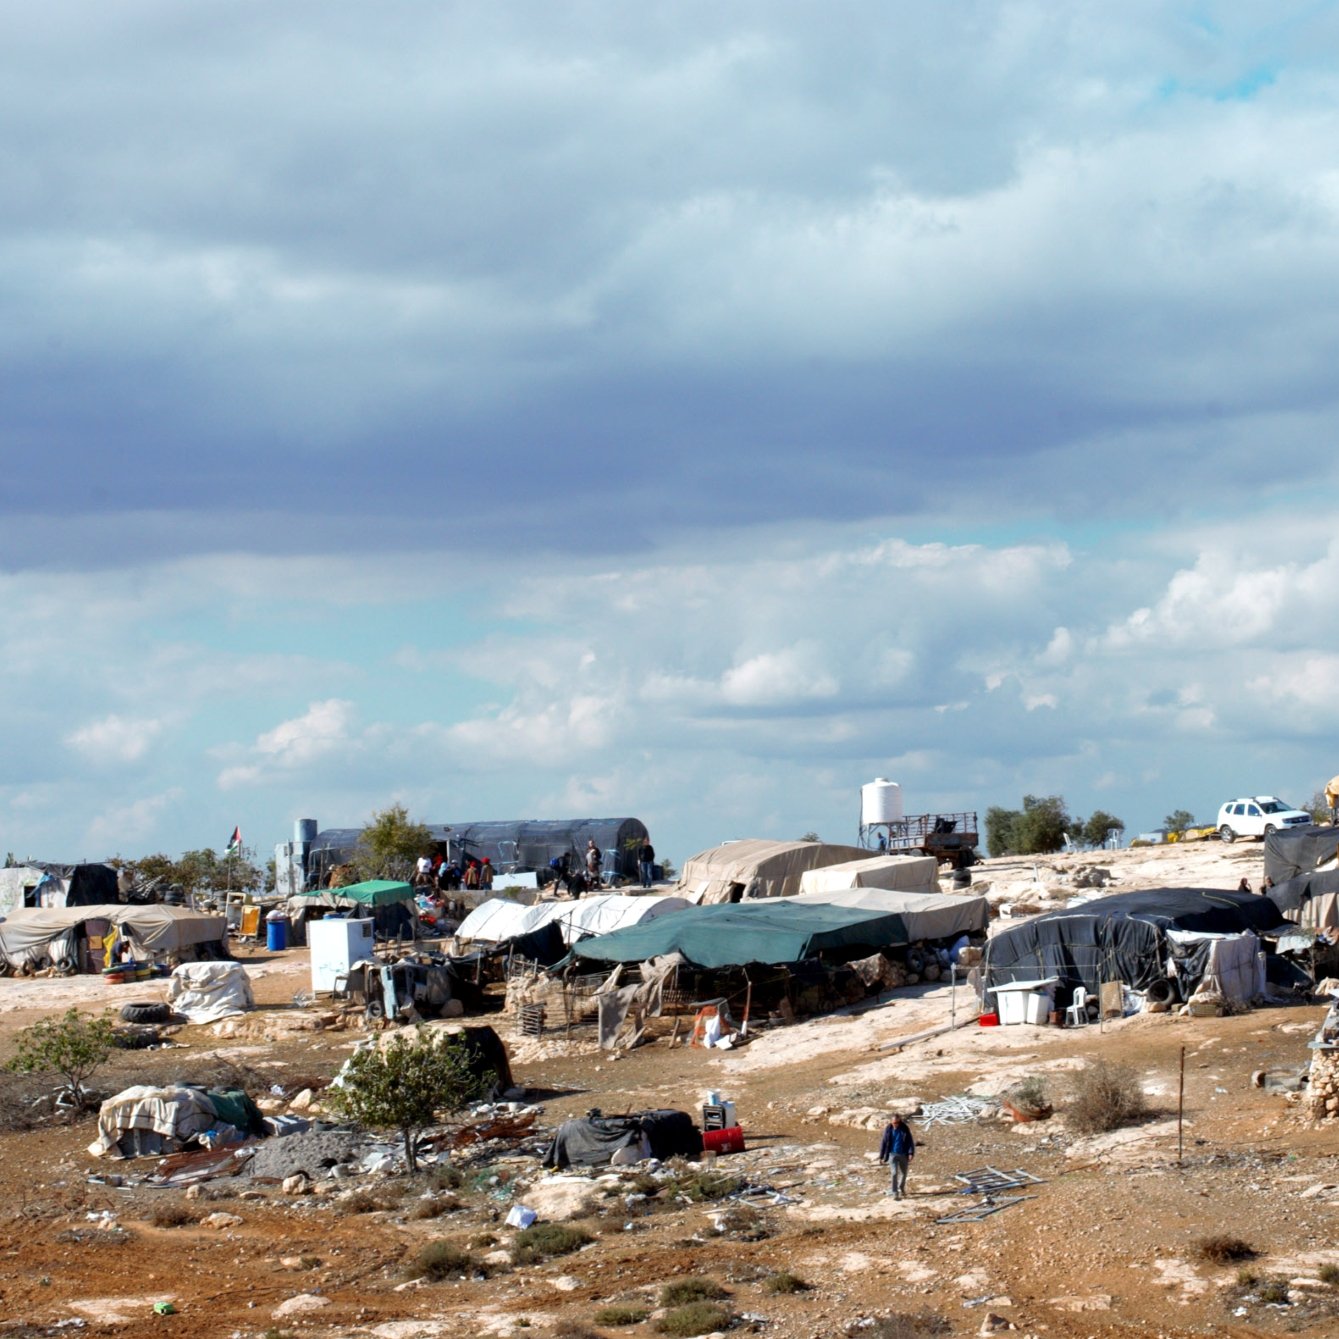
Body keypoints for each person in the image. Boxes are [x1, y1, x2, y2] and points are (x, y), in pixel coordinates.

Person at [877, 1112, 915, 1200]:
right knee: (894, 1173)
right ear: (891, 1122)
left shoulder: (904, 1129)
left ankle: (901, 1187)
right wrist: (881, 1156)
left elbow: (910, 1142)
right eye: (894, 1123)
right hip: (892, 1154)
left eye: (897, 1123)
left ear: (900, 1121)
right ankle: (895, 1192)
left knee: (904, 1173)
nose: (896, 1125)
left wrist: (910, 1153)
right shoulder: (888, 1130)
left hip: (903, 1154)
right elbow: (884, 1142)